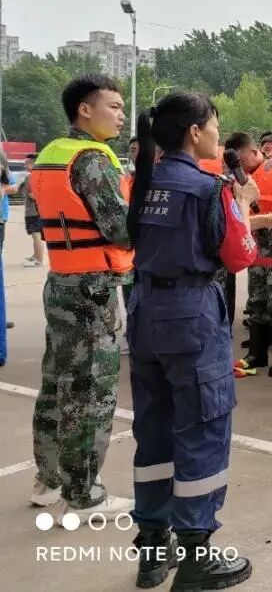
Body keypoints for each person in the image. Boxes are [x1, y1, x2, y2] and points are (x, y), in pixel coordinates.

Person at [125, 92, 272, 589]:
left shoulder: (145, 181)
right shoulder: (208, 186)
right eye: (215, 128)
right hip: (190, 315)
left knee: (154, 429)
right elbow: (240, 255)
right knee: (203, 426)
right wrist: (243, 204)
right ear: (195, 132)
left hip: (145, 309)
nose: (220, 138)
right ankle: (197, 555)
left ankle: (153, 549)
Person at [29, 75, 134, 523]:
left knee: (57, 382)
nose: (122, 115)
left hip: (61, 280)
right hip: (92, 288)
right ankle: (84, 493)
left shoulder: (50, 156)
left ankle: (48, 479)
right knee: (90, 391)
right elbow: (121, 229)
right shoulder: (92, 159)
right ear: (85, 110)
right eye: (114, 106)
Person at [225, 132, 272, 377]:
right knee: (256, 298)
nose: (240, 166)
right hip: (254, 244)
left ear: (255, 152)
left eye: (243, 160)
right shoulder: (238, 178)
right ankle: (257, 353)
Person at [20, 153, 45, 267]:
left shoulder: (31, 177)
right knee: (35, 234)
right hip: (38, 210)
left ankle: (39, 260)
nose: (25, 166)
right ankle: (35, 256)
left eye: (27, 163)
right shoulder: (41, 176)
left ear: (34, 164)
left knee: (36, 235)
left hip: (34, 211)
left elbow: (33, 195)